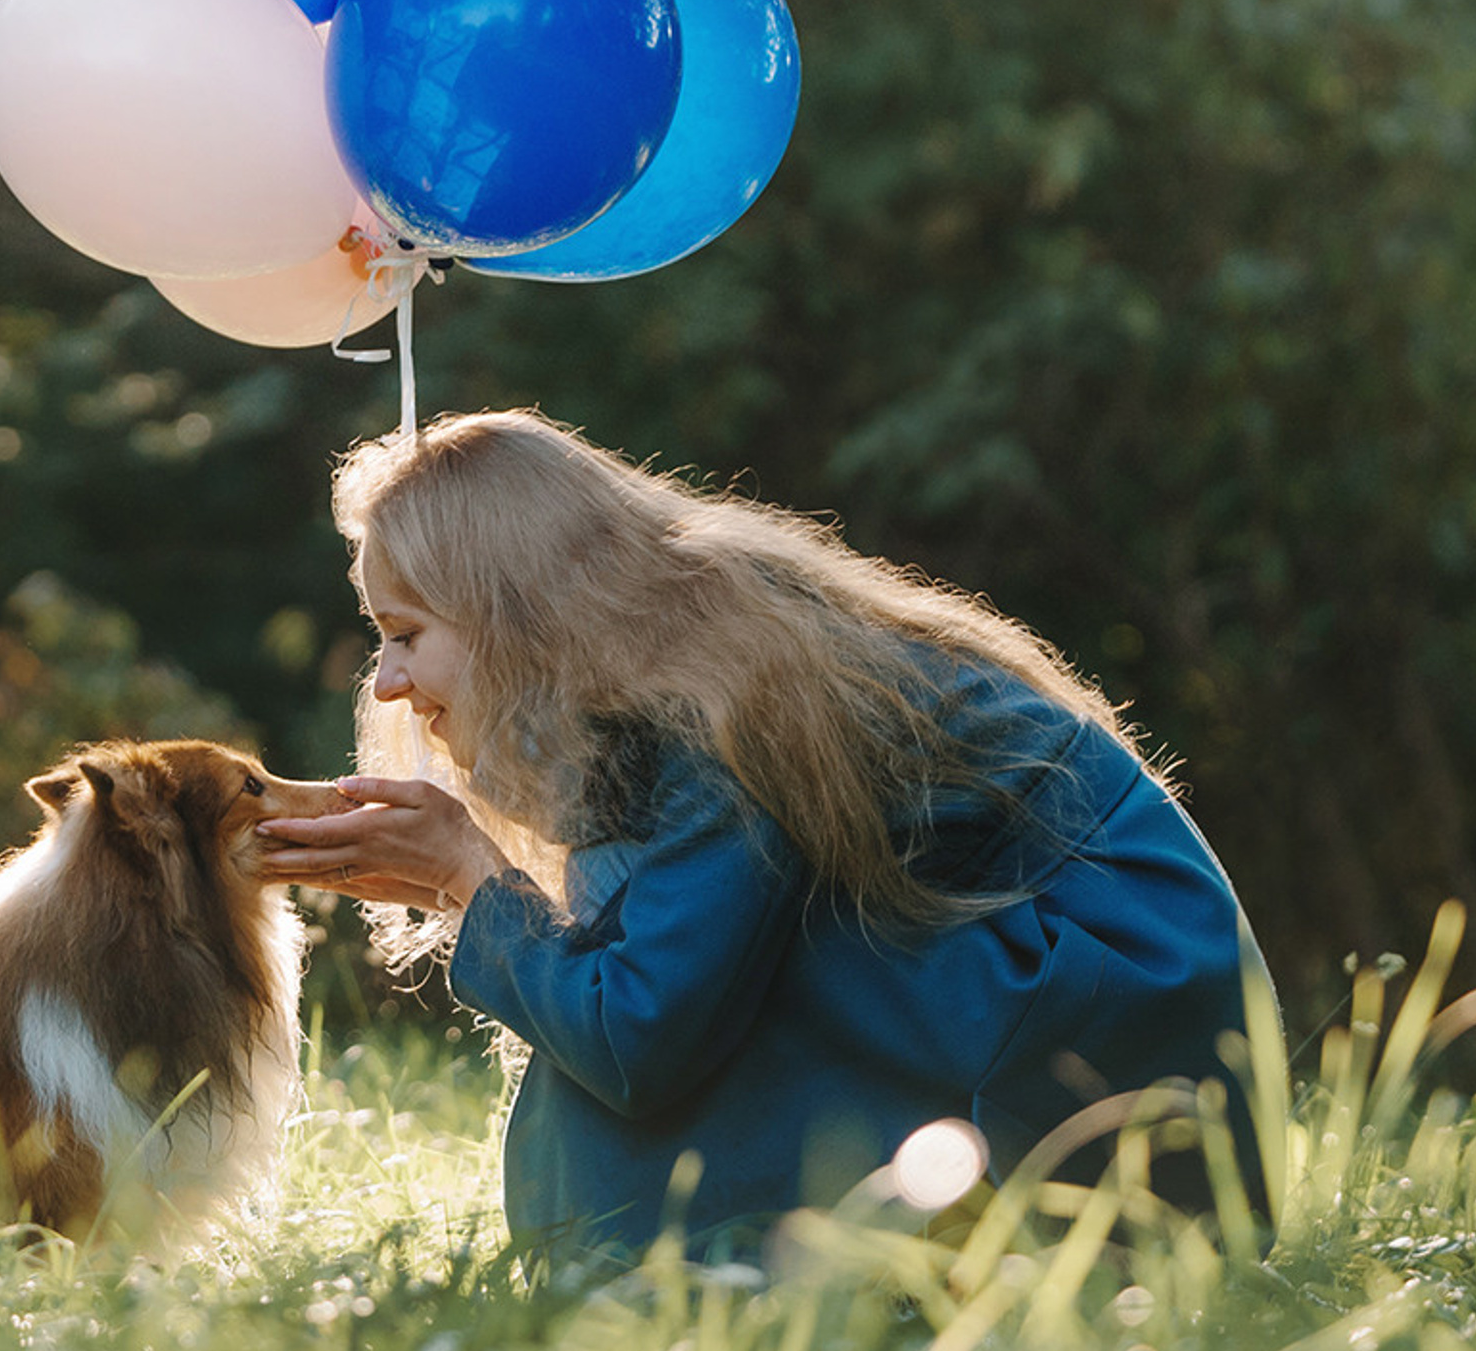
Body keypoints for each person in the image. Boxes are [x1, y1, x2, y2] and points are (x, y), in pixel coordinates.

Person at [257, 408, 1273, 1260]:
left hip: (1119, 1007)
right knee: (699, 966)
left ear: (512, 612)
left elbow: (638, 1033)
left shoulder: (713, 702)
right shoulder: (659, 671)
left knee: (712, 994)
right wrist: (465, 886)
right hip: (1066, 986)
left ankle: (769, 1259)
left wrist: (471, 882)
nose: (386, 682)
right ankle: (717, 1257)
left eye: (404, 635)